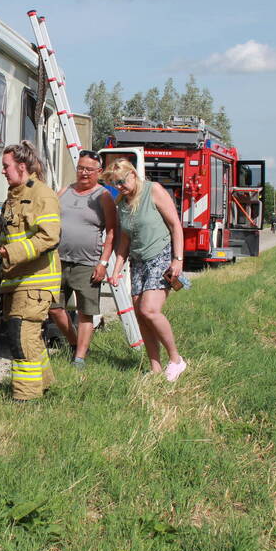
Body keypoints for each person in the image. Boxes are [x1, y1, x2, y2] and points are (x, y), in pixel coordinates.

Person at [104, 158, 187, 382]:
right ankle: (155, 367)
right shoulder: (122, 202)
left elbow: (175, 225)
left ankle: (176, 360)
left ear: (132, 174)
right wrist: (117, 269)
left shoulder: (154, 191)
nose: (119, 186)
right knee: (140, 314)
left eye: (121, 181)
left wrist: (177, 259)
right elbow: (125, 240)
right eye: (115, 184)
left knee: (150, 309)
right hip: (138, 261)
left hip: (160, 255)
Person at [0, 141, 61, 402]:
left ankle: (26, 398)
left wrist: (12, 253)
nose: (3, 171)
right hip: (17, 280)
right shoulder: (15, 195)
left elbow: (49, 237)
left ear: (21, 167)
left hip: (36, 282)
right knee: (28, 338)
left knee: (21, 337)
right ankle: (44, 385)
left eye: (6, 166)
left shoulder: (42, 195)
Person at [47, 150, 116, 366]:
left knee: (86, 312)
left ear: (99, 172)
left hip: (88, 263)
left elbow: (113, 231)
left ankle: (79, 358)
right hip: (58, 260)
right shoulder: (65, 190)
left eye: (89, 169)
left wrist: (103, 263)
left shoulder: (103, 196)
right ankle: (75, 343)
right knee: (54, 307)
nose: (83, 173)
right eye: (80, 168)